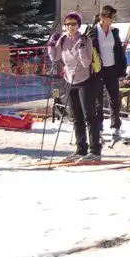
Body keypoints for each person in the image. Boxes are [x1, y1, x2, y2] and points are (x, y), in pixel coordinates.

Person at [47, 12, 103, 162]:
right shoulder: (63, 40)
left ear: (78, 25)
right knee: (76, 117)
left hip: (86, 81)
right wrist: (51, 45)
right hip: (70, 81)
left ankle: (95, 150)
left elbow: (85, 62)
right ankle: (81, 149)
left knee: (89, 116)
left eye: (73, 24)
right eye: (67, 24)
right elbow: (55, 57)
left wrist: (82, 48)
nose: (70, 27)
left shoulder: (84, 39)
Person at [91, 5, 127, 143]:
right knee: (98, 100)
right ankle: (99, 128)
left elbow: (118, 50)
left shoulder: (114, 31)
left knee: (114, 99)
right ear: (103, 17)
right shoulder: (94, 31)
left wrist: (121, 67)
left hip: (112, 68)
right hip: (99, 69)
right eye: (109, 17)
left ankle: (115, 126)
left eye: (112, 17)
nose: (111, 20)